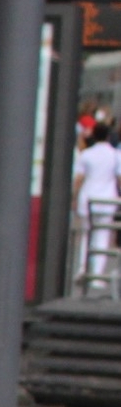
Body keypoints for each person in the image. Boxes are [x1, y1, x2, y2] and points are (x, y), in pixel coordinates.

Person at [77, 122, 120, 291]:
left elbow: (79, 178)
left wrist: (74, 197)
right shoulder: (115, 155)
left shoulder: (86, 154)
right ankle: (97, 276)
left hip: (88, 196)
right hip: (107, 198)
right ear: (108, 136)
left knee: (86, 234)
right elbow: (119, 178)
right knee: (102, 236)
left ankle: (82, 268)